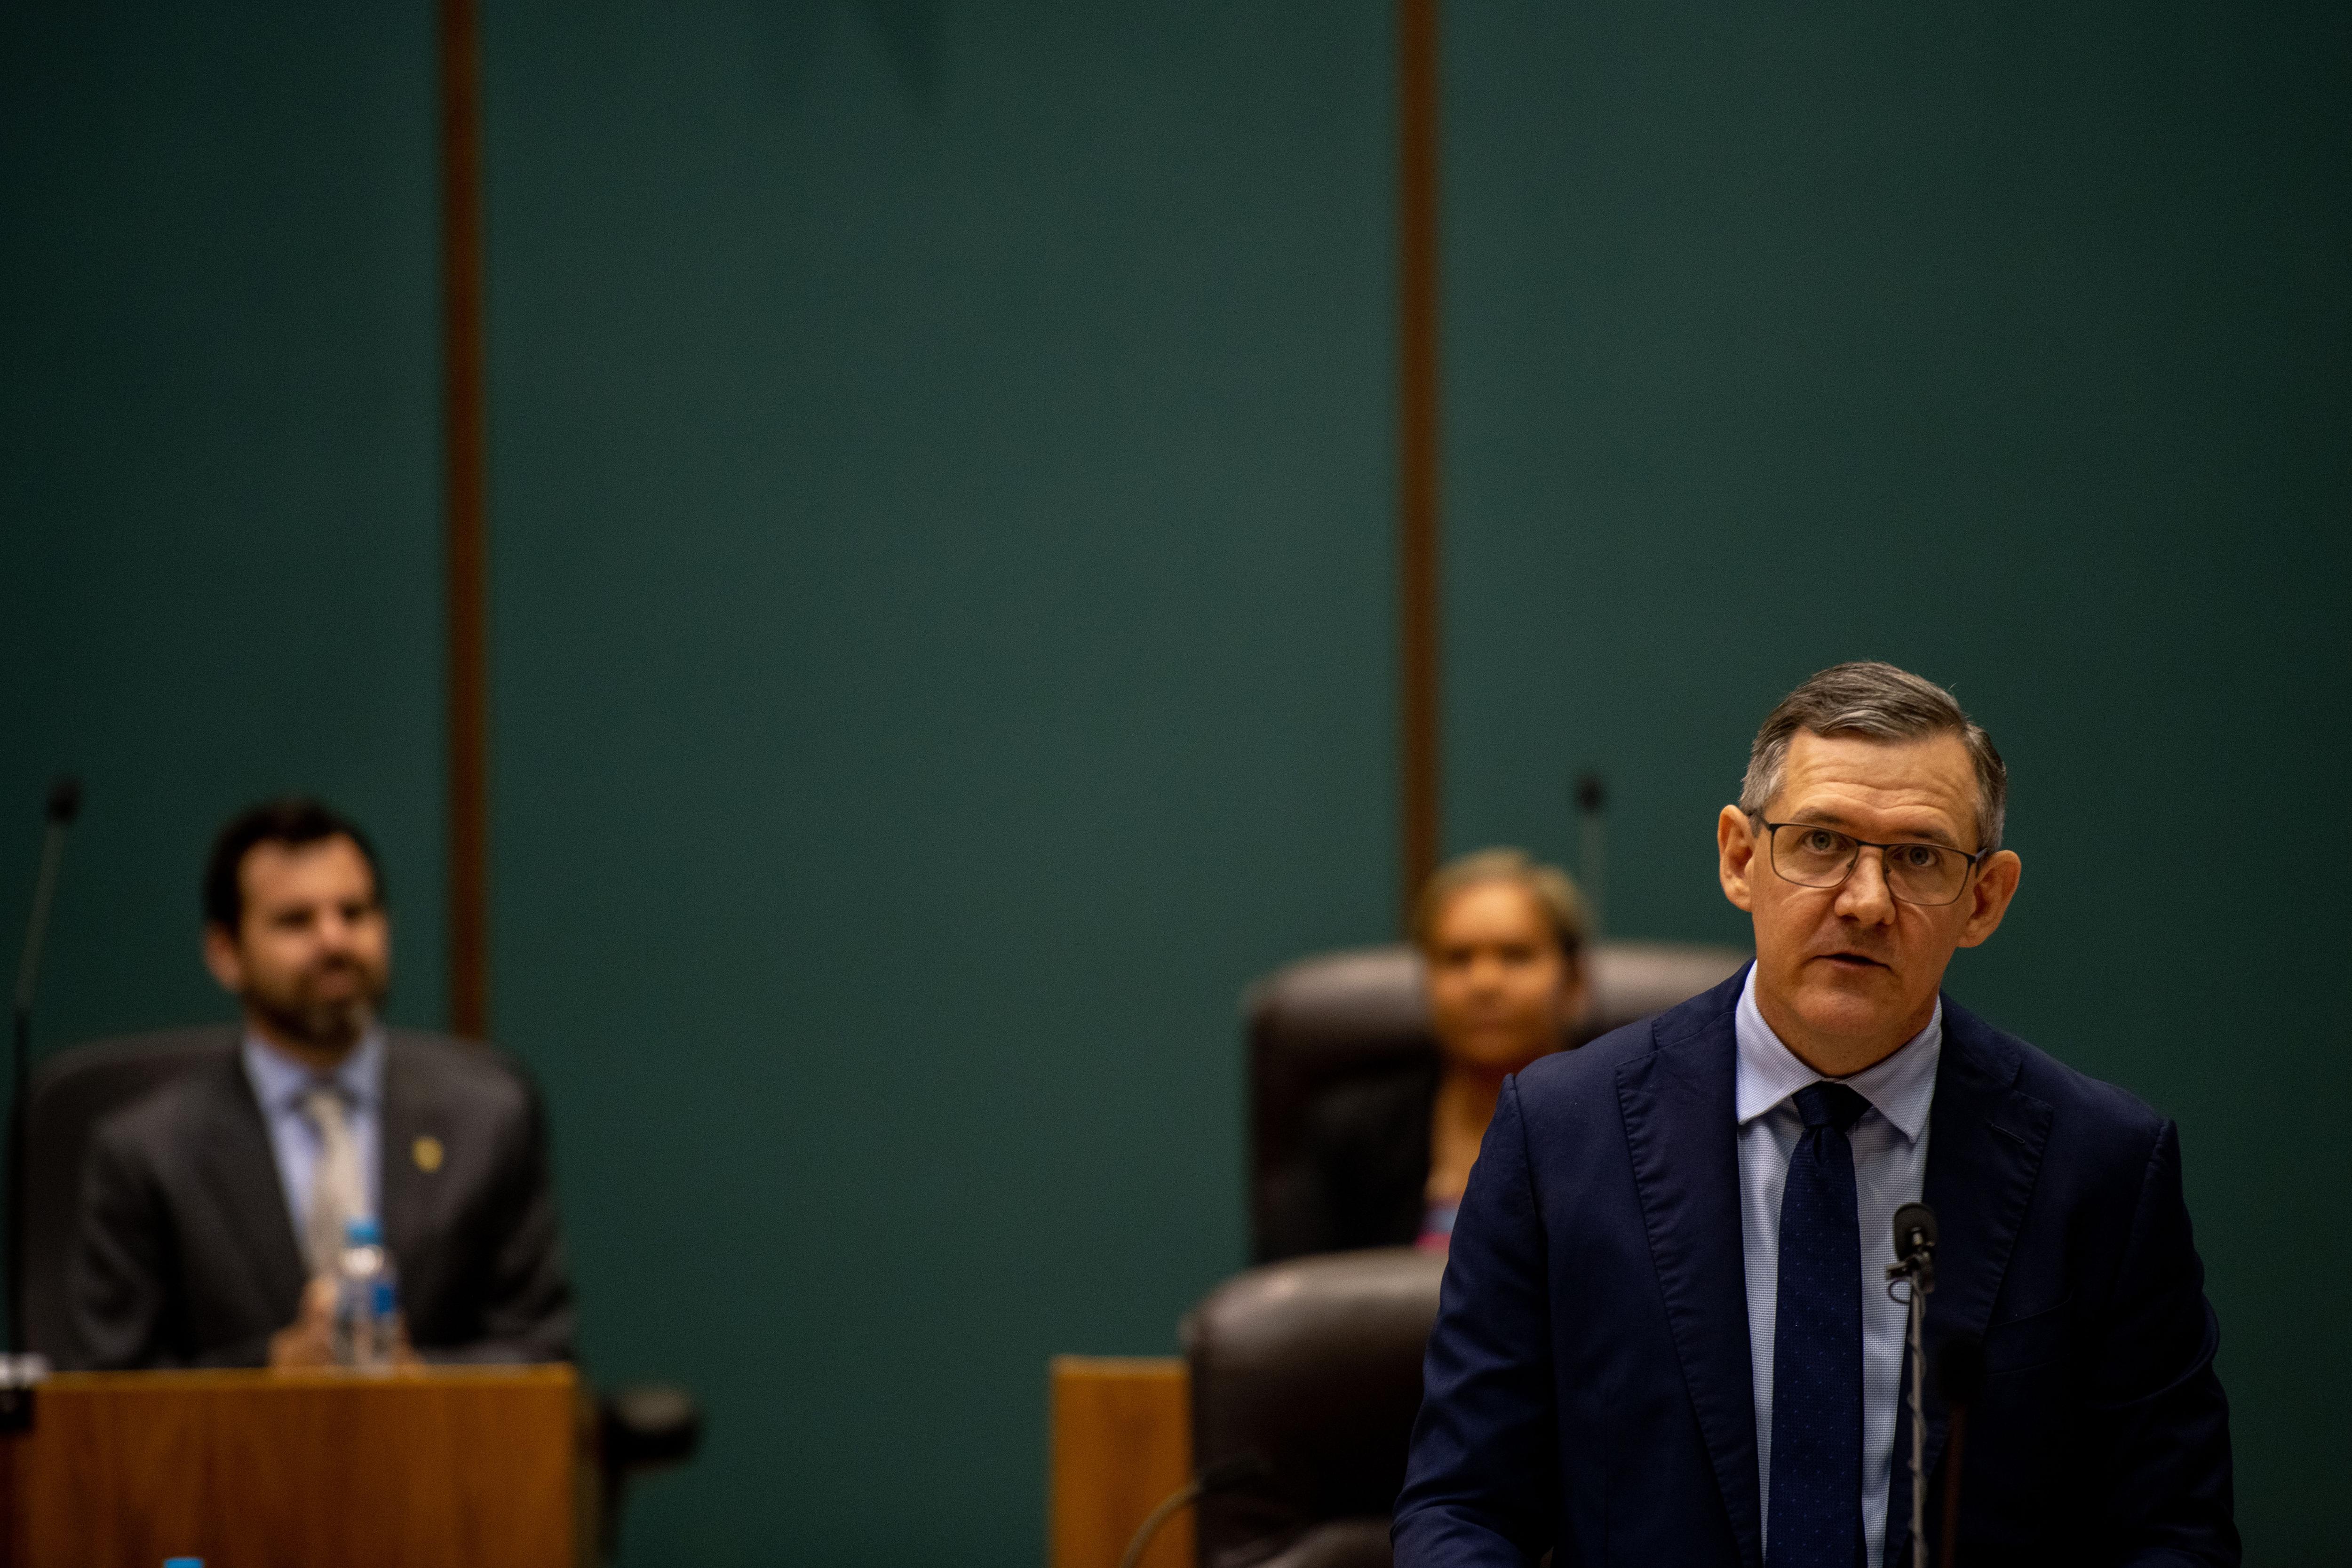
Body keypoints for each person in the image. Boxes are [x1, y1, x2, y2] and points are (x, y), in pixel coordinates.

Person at [1394, 663, 2234, 1567]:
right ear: (1740, 859)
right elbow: (1463, 1507)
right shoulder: (1561, 1135)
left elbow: (2172, 1533)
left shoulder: (2102, 1165)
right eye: (1822, 841)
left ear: (1984, 899)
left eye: (1918, 856)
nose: (1866, 900)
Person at [71, 798, 574, 1369]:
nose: (334, 941)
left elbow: (541, 1353)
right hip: (234, 1458)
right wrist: (273, 1377)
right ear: (225, 953)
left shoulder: (488, 1119)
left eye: (354, 913)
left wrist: (425, 1385)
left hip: (440, 1453)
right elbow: (113, 1390)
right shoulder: (146, 1153)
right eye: (295, 921)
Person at [1262, 849, 1590, 1259]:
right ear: (1426, 981)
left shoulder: (1629, 1129)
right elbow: (1292, 1299)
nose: (1484, 982)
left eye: (1515, 955)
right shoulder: (1351, 1136)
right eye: (1457, 959)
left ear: (1575, 982)